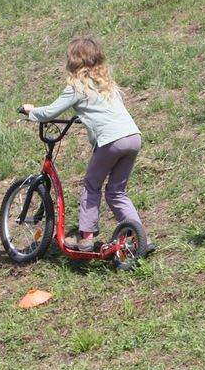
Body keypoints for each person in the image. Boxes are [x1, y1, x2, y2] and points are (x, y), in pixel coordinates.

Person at [22, 36, 144, 252]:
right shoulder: (109, 85)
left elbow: (50, 112)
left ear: (73, 61)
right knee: (116, 191)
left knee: (91, 185)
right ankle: (138, 237)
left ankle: (86, 237)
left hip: (111, 141)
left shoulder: (77, 86)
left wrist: (31, 111)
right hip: (133, 137)